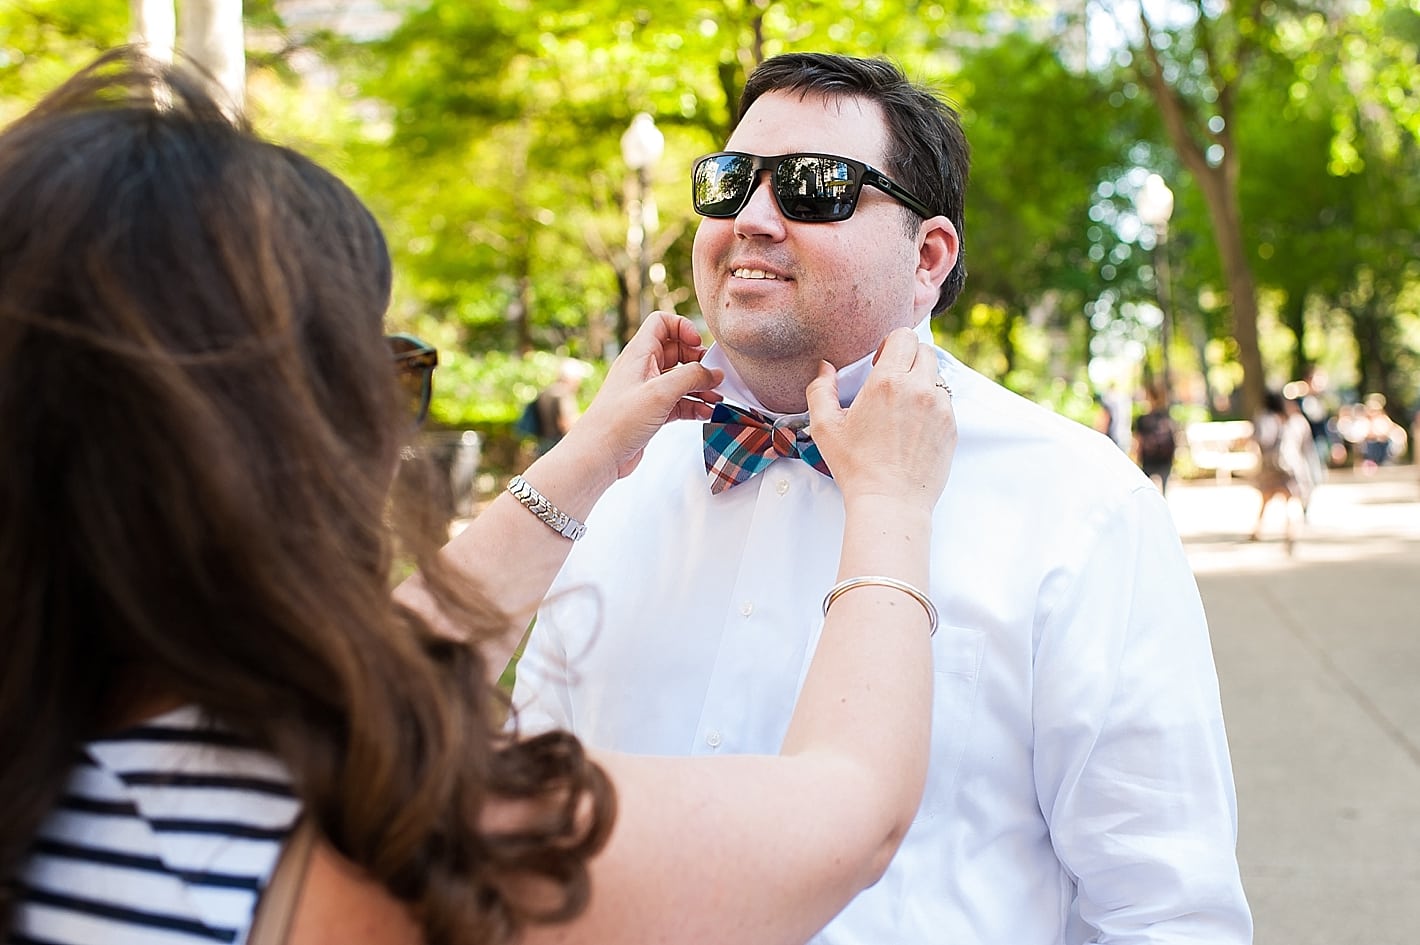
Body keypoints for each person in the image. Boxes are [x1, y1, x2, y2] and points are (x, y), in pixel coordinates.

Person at [1, 49, 959, 945]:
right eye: (377, 373)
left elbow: (374, 695)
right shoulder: (352, 842)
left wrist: (588, 454)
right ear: (250, 444)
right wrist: (890, 505)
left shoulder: (62, 754)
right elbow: (847, 812)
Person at [505, 52, 1252, 943]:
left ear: (928, 256)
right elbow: (525, 819)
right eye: (730, 180)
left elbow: (1166, 910)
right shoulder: (606, 480)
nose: (751, 218)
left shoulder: (1081, 506)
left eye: (813, 187)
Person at [1249, 391, 1315, 546]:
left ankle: (1257, 530)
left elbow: (1261, 441)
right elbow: (1307, 447)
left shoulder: (1265, 420)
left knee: (1265, 498)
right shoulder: (1298, 421)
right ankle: (1291, 532)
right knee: (1291, 500)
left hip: (1270, 466)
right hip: (1292, 467)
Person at [532, 357, 593, 455]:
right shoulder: (563, 394)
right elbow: (565, 423)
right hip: (557, 447)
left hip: (543, 445)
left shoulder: (545, 392)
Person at [1133, 383, 1179, 495]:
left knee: (1144, 491)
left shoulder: (1142, 419)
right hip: (1165, 459)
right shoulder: (1166, 416)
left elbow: (1138, 441)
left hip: (1149, 460)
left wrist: (1136, 457)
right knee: (1164, 492)